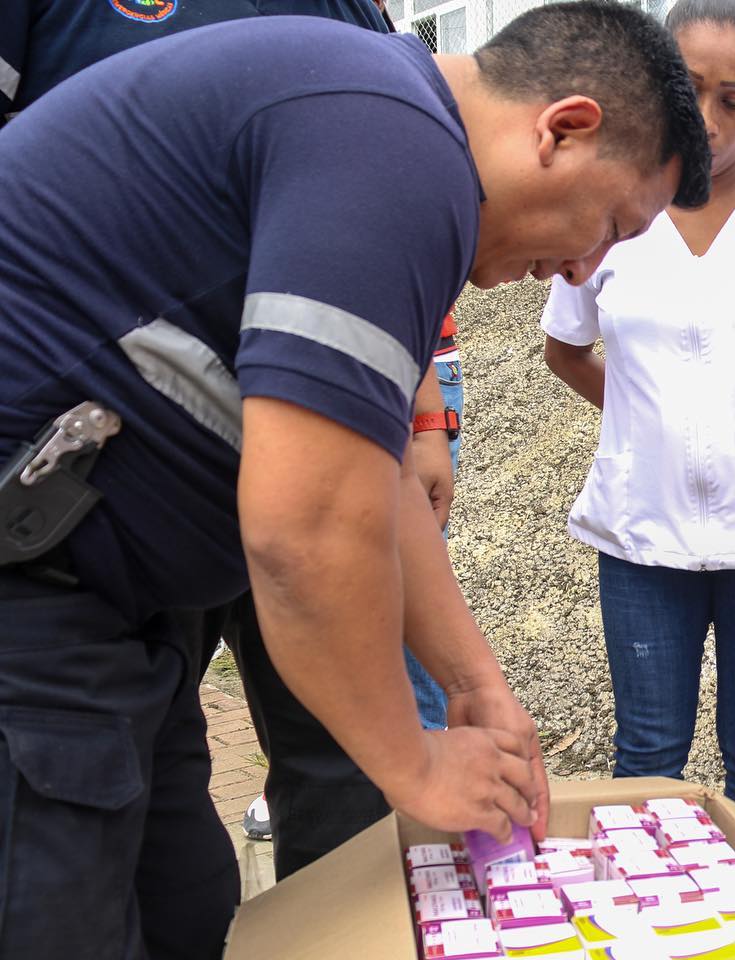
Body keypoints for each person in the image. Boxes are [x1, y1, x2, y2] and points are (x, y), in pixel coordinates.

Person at [0, 6, 709, 958]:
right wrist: (415, 764)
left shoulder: (385, 127)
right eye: (612, 224)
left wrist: (474, 684)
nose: (582, 266)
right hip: (33, 601)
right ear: (563, 127)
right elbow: (304, 531)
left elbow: (365, 478)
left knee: (185, 908)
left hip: (113, 613)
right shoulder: (396, 147)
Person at [2, 0, 466, 858]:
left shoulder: (361, 48)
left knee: (331, 756)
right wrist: (422, 767)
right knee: (105, 782)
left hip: (286, 429)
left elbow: (384, 246)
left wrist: (422, 410)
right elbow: (302, 536)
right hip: (93, 474)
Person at [542, 0, 735, 829]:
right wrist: (649, 421)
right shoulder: (611, 202)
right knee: (647, 752)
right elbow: (565, 347)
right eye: (688, 90)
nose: (711, 120)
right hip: (644, 531)